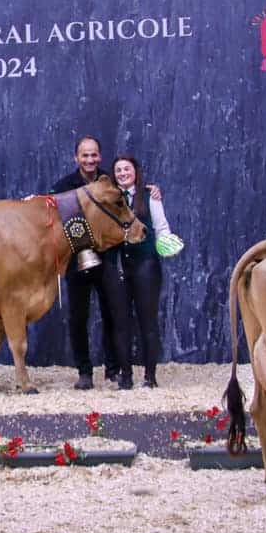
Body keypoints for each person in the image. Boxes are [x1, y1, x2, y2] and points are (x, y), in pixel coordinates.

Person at [50, 136, 131, 390]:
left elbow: (126, 207)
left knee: (111, 315)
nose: (89, 160)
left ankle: (112, 369)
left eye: (94, 155)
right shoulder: (64, 186)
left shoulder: (110, 181)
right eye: (85, 155)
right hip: (77, 262)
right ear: (76, 158)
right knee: (78, 318)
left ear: (100, 156)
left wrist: (151, 191)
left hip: (106, 258)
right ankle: (84, 372)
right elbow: (50, 212)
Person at [110, 155, 172, 389]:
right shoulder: (109, 198)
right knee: (120, 322)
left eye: (127, 169)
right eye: (118, 170)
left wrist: (167, 244)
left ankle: (150, 376)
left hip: (145, 264)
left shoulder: (149, 196)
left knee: (148, 321)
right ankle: (125, 376)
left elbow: (161, 227)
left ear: (135, 171)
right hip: (118, 264)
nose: (123, 173)